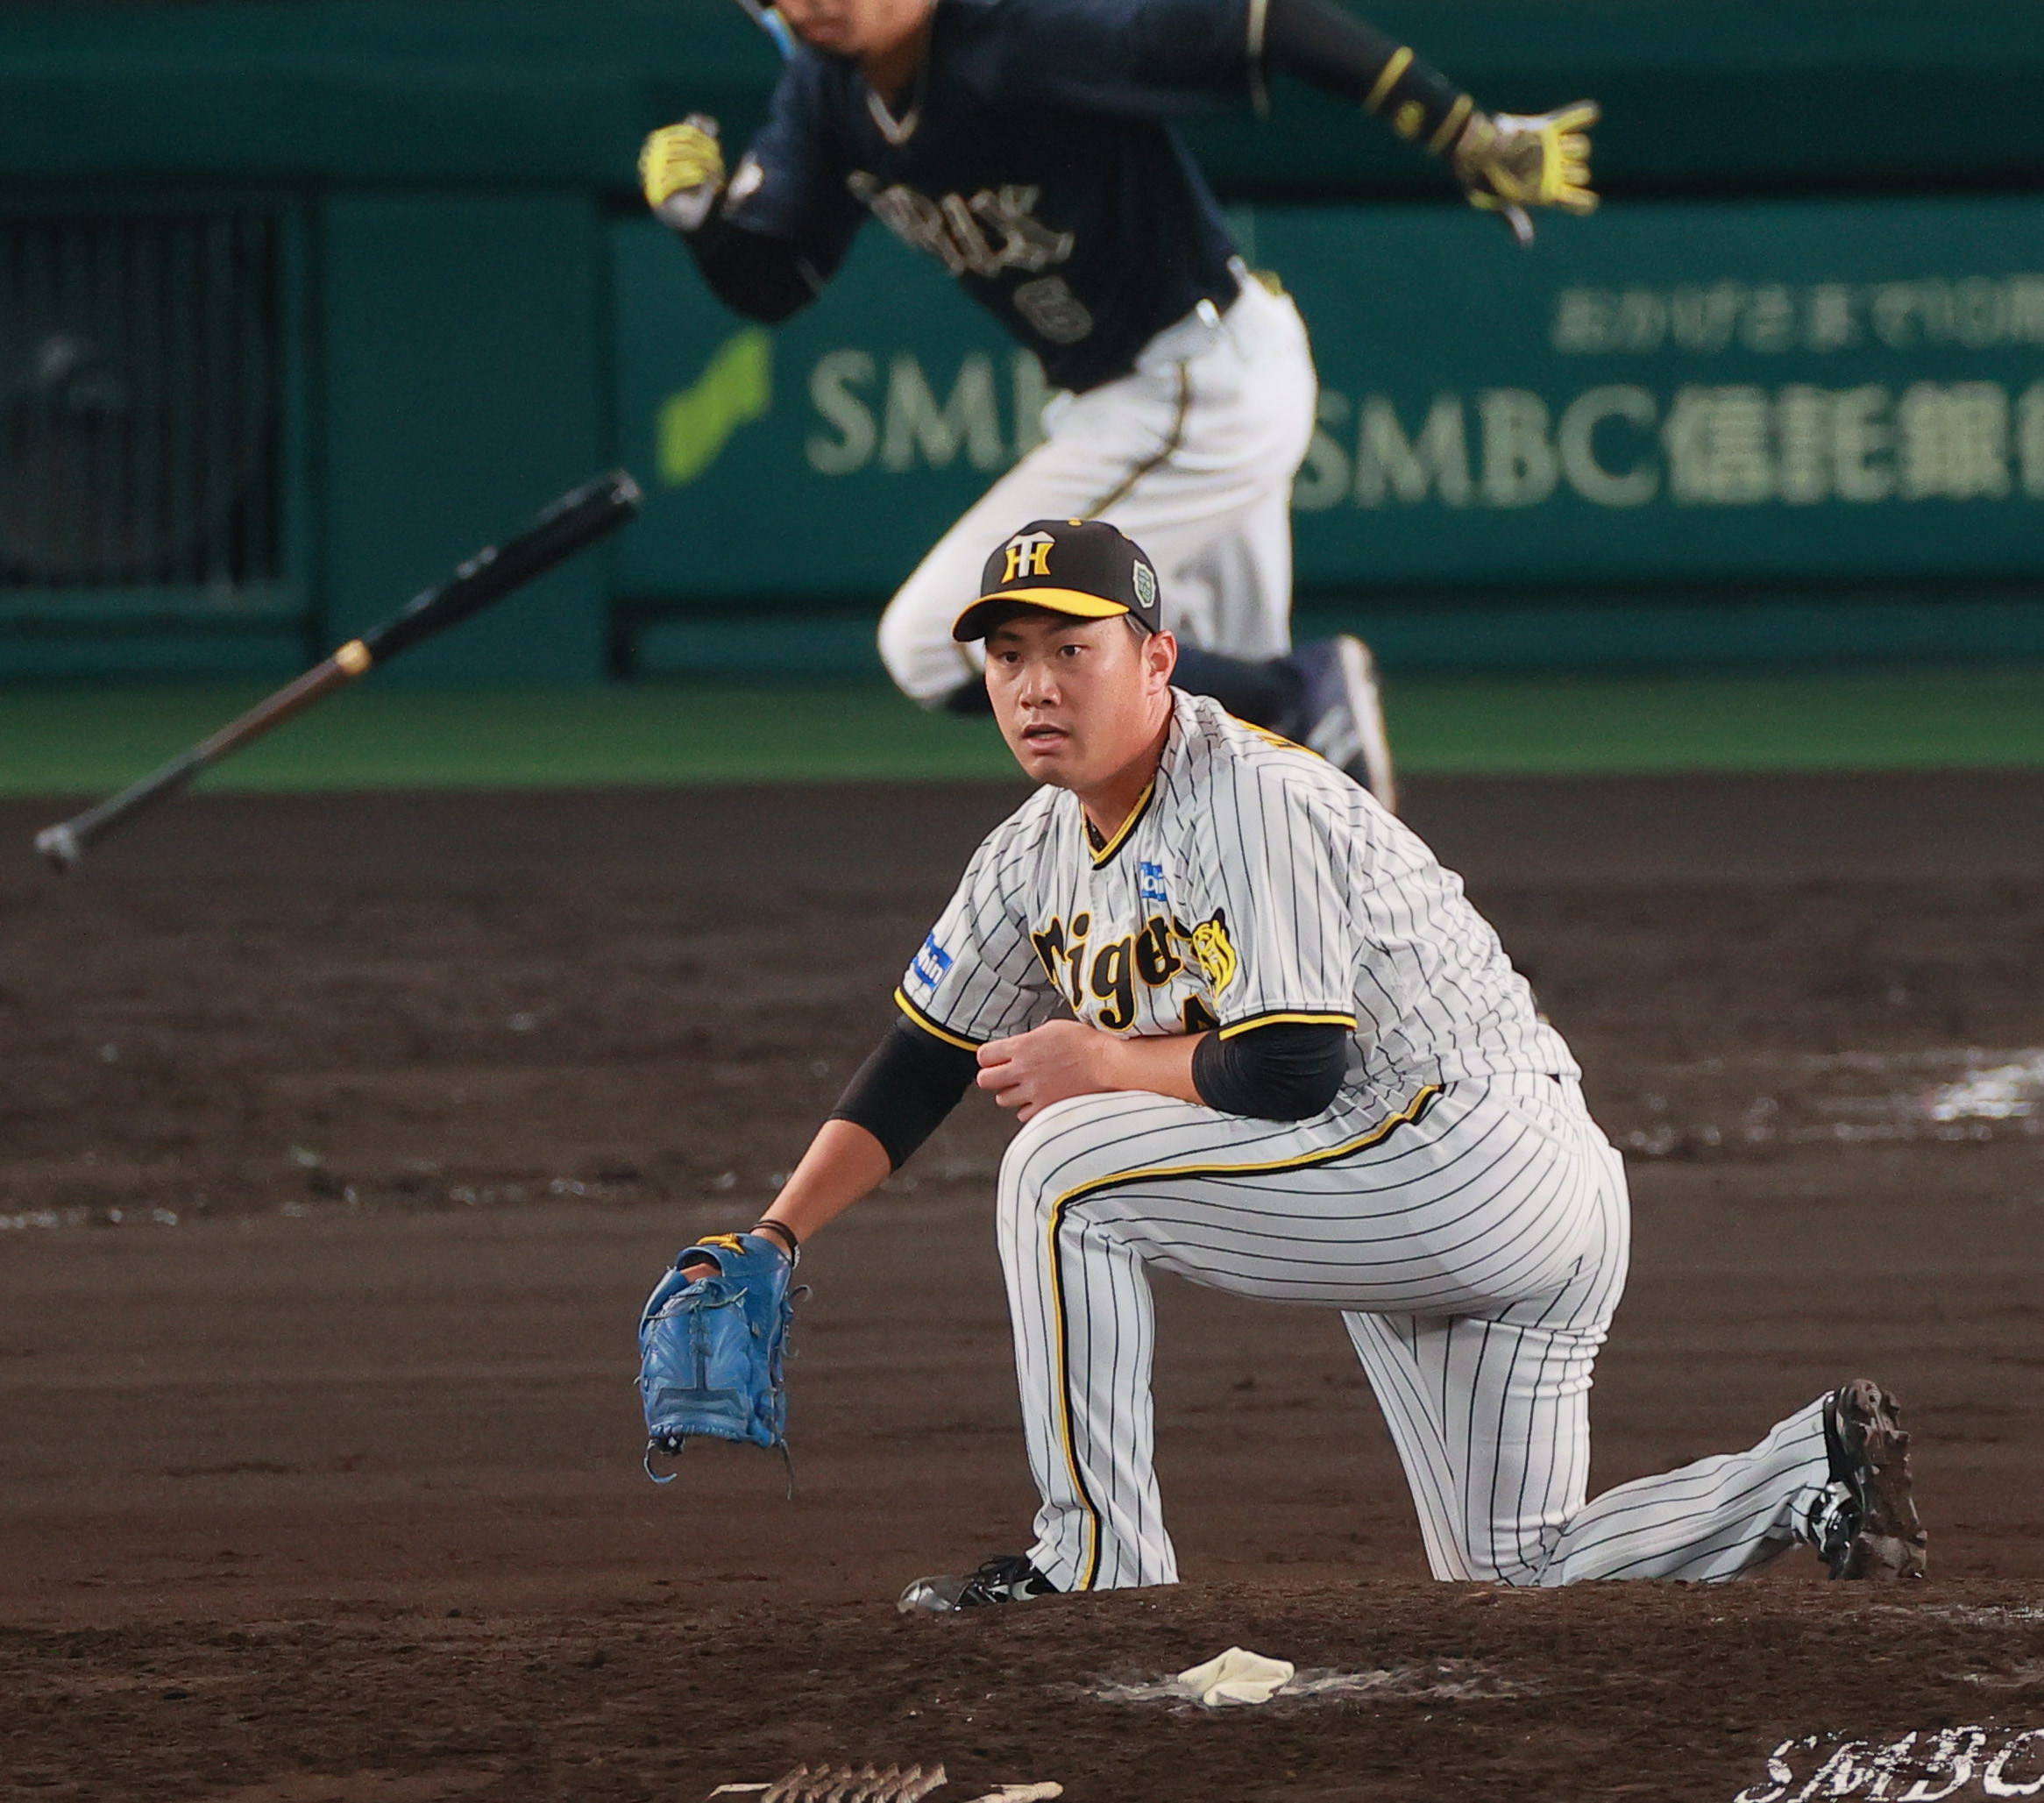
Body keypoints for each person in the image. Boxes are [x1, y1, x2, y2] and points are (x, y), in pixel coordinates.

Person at [678, 515, 1929, 1604]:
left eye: (1073, 648)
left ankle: (1094, 1565)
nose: (1035, 684)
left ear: (1157, 659)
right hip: (1442, 1179)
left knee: (1061, 1169)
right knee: (1515, 1570)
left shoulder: (1249, 796)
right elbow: (921, 1059)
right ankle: (1801, 1474)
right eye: (1008, 655)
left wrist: (1102, 1061)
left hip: (1466, 1153)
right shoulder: (1031, 850)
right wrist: (778, 1235)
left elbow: (1289, 1068)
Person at [638, 0, 1601, 806]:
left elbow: (1265, 21)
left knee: (937, 643)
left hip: (1197, 380)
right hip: (1136, 393)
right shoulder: (822, 98)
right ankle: (1300, 886)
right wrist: (704, 224)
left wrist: (1457, 130)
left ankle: (1301, 695)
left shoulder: (1020, 51)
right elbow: (777, 282)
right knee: (1219, 767)